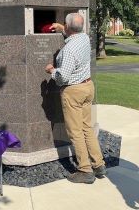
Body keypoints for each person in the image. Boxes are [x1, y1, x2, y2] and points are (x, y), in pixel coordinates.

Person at [45, 13, 106, 184]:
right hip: (88, 87)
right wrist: (62, 28)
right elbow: (73, 32)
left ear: (69, 27)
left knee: (75, 131)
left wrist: (51, 70)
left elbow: (63, 77)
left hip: (73, 91)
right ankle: (99, 164)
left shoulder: (69, 51)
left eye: (65, 24)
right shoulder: (85, 38)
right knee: (87, 127)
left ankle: (85, 170)